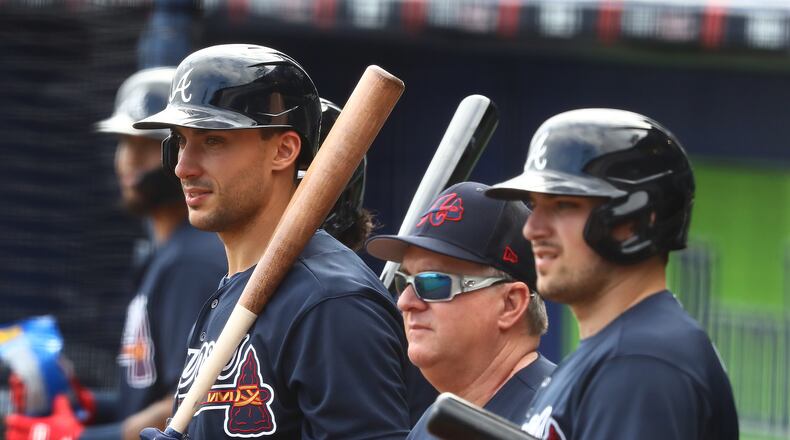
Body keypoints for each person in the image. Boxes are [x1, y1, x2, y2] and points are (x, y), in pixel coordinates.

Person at [133, 44, 423, 439]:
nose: (184, 166)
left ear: (284, 150)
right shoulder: (231, 292)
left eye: (213, 141)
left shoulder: (330, 301)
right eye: (181, 142)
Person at [486, 108, 738, 439]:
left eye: (563, 205)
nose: (532, 228)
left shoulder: (639, 362)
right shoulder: (619, 352)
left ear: (634, 221)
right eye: (535, 206)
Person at [5, 68, 228, 439]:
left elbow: (193, 402)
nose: (128, 161)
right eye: (123, 143)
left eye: (147, 146)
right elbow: (145, 399)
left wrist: (77, 438)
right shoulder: (169, 253)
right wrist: (88, 406)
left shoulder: (192, 260)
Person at [366, 181, 556, 439]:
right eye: (404, 282)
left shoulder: (564, 416)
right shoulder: (431, 424)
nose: (405, 301)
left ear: (510, 304)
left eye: (433, 283)